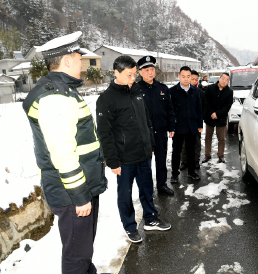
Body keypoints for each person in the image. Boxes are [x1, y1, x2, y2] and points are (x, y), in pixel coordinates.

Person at [22, 31, 108, 274]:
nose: (82, 63)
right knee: (76, 257)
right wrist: (80, 195)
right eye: (79, 58)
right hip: (72, 192)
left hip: (79, 186)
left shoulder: (64, 90)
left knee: (83, 250)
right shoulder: (56, 96)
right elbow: (62, 153)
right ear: (68, 60)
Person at [96, 56, 171, 244]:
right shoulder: (106, 99)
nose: (132, 79)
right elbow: (104, 134)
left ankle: (151, 219)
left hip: (144, 153)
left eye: (134, 75)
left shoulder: (137, 90)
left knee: (147, 188)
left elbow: (146, 120)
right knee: (125, 194)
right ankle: (130, 226)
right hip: (124, 158)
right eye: (129, 75)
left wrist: (151, 144)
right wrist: (112, 161)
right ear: (116, 72)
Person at [137, 55, 175, 196]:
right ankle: (147, 189)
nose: (150, 72)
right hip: (144, 134)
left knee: (161, 160)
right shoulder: (135, 89)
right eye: (146, 70)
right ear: (140, 72)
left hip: (160, 131)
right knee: (145, 163)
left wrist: (171, 127)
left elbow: (169, 109)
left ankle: (162, 185)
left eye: (152, 69)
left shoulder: (163, 88)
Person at [169, 66, 203, 183]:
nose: (186, 79)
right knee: (176, 151)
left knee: (191, 150)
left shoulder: (195, 90)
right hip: (178, 126)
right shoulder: (173, 91)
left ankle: (191, 172)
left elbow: (198, 108)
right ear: (179, 76)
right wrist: (171, 126)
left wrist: (200, 124)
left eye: (188, 76)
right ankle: (174, 174)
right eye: (183, 76)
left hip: (191, 126)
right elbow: (170, 110)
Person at [202, 73, 233, 164]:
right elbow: (206, 102)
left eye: (227, 80)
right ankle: (207, 155)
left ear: (228, 82)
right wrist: (212, 112)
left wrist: (218, 114)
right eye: (223, 78)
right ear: (219, 78)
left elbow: (228, 106)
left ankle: (221, 156)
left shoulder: (229, 91)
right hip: (210, 117)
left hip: (221, 118)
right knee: (208, 137)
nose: (224, 81)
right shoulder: (210, 88)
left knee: (221, 139)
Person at [180, 70, 206, 170]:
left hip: (195, 123)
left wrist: (199, 120)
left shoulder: (200, 93)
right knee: (184, 143)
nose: (194, 81)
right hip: (183, 123)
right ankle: (184, 161)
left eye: (196, 79)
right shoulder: (181, 91)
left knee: (196, 143)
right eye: (192, 79)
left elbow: (204, 108)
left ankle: (195, 161)